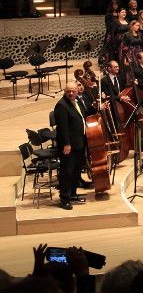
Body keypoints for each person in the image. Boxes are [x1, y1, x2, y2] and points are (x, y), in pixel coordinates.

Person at [53, 82, 87, 210]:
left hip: (78, 142)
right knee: (67, 172)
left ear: (77, 91)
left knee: (76, 170)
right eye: (68, 91)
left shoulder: (76, 101)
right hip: (69, 145)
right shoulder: (61, 106)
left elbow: (83, 116)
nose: (71, 93)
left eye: (73, 91)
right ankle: (64, 198)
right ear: (64, 91)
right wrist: (66, 144)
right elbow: (62, 128)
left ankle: (72, 194)